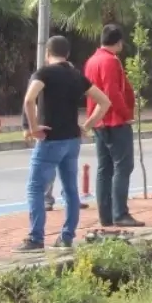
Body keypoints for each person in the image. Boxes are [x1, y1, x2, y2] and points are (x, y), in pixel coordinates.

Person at [15, 36, 111, 252]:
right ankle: (67, 236)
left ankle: (36, 237)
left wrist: (33, 128)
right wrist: (87, 125)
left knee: (35, 187)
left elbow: (29, 100)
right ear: (67, 54)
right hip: (72, 139)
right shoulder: (77, 76)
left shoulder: (44, 73)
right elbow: (104, 102)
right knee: (70, 188)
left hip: (50, 139)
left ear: (48, 53)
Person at [85, 24, 142, 227]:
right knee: (123, 166)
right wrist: (126, 114)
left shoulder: (92, 61)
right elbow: (112, 92)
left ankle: (105, 215)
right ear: (118, 42)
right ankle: (120, 213)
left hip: (99, 120)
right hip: (114, 120)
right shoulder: (110, 61)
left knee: (104, 168)